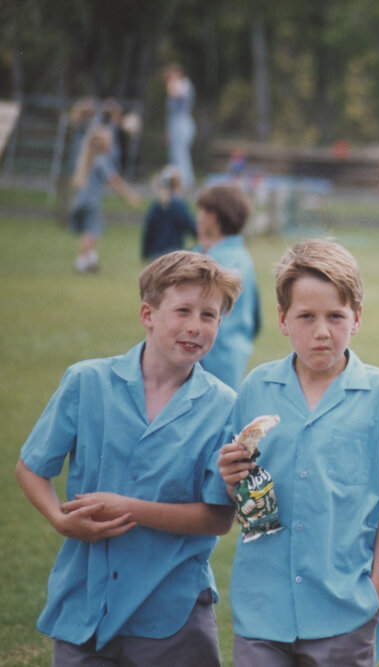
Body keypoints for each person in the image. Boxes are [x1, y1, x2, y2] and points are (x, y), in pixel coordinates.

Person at [15, 251, 243, 665]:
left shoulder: (226, 407)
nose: (195, 326)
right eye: (183, 311)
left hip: (173, 615)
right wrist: (59, 519)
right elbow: (31, 468)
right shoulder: (87, 381)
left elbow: (217, 519)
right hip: (84, 604)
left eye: (209, 315)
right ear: (147, 314)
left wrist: (129, 508)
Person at [217, 239, 379, 666]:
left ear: (357, 318)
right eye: (306, 316)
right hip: (262, 610)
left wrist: (377, 593)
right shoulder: (255, 388)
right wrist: (231, 479)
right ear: (282, 319)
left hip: (344, 612)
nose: (322, 331)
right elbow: (241, 497)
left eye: (335, 316)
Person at [195, 184, 260, 388]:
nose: (198, 218)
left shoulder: (216, 261)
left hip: (213, 358)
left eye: (201, 212)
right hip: (232, 354)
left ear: (212, 217)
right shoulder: (241, 257)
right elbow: (256, 316)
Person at [68, 125, 141, 273]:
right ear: (103, 145)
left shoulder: (87, 160)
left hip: (82, 201)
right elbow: (114, 181)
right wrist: (129, 196)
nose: (111, 146)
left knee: (91, 230)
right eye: (110, 142)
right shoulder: (101, 160)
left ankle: (90, 260)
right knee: (91, 232)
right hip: (92, 202)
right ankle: (82, 263)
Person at [141, 165, 197, 261]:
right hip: (174, 254)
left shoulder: (156, 205)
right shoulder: (179, 206)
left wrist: (145, 253)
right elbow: (190, 225)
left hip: (157, 255)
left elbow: (149, 230)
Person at [164, 63, 196, 190]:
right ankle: (176, 182)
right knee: (174, 154)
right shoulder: (176, 85)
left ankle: (186, 182)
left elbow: (175, 94)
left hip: (183, 121)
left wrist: (171, 84)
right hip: (174, 122)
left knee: (181, 153)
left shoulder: (185, 84)